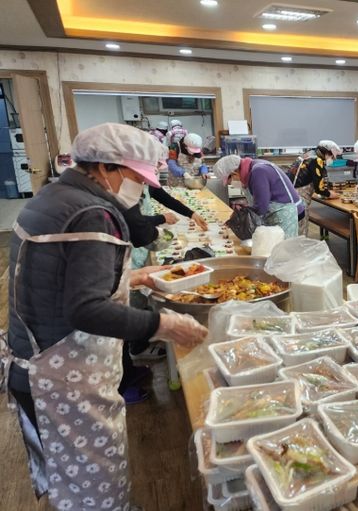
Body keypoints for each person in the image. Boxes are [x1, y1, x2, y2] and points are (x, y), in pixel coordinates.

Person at [2, 123, 208, 510]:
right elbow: (85, 309)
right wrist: (163, 325)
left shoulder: (56, 196)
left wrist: (134, 277)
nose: (140, 187)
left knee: (73, 482)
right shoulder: (91, 213)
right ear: (106, 167)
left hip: (37, 364)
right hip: (63, 375)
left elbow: (62, 281)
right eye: (137, 177)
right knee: (95, 486)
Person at [213, 154, 304, 238]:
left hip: (286, 213)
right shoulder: (252, 169)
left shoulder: (258, 171)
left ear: (234, 173)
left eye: (229, 182)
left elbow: (261, 207)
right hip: (277, 211)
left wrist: (238, 220)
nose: (231, 185)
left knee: (282, 248)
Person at [291, 140, 342, 236]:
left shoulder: (308, 154)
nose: (332, 159)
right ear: (327, 153)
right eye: (332, 157)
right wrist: (329, 194)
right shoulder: (317, 160)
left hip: (291, 194)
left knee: (294, 229)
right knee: (301, 229)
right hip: (300, 197)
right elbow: (319, 188)